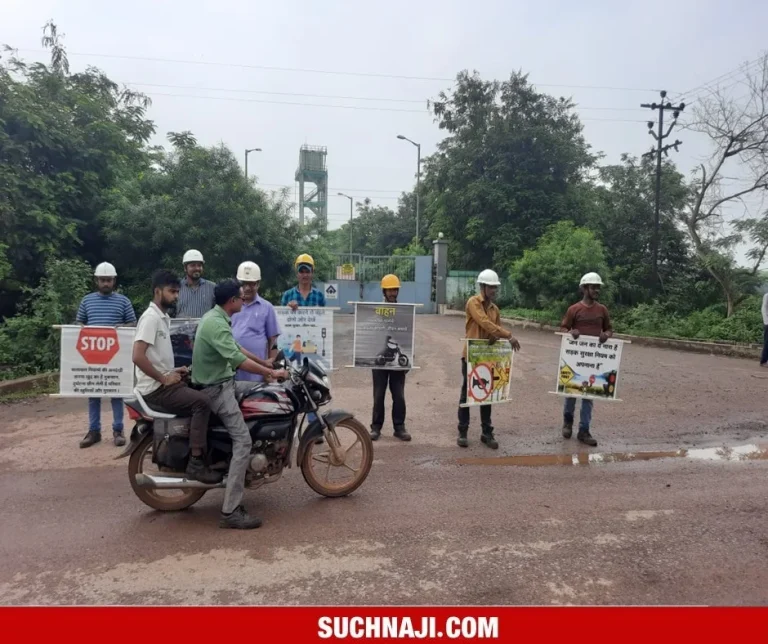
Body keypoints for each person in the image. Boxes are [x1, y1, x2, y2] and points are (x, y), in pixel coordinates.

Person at [192, 279, 288, 530]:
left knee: (264, 392)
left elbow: (238, 349)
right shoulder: (216, 323)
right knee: (243, 441)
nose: (243, 299)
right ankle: (230, 511)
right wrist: (275, 373)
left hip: (226, 383)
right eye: (239, 297)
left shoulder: (217, 317)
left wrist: (266, 365)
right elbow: (237, 359)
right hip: (217, 390)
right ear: (232, 301)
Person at [132, 270, 221, 484]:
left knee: (204, 388)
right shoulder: (151, 318)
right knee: (203, 403)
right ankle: (196, 463)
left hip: (163, 382)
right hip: (156, 389)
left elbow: (156, 357)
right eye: (172, 292)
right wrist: (164, 379)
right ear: (157, 291)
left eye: (177, 292)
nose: (176, 297)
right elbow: (137, 356)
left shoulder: (163, 317)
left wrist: (174, 371)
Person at [457, 269, 521, 450]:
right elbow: (484, 322)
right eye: (491, 287)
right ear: (483, 287)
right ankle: (462, 431)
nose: (494, 290)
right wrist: (508, 335)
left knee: (487, 393)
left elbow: (494, 329)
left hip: (488, 356)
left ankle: (487, 432)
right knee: (467, 393)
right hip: (471, 355)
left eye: (495, 287)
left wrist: (497, 336)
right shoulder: (473, 302)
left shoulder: (495, 310)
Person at [76, 262, 137, 449]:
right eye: (102, 280)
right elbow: (78, 325)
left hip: (115, 355)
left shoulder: (123, 301)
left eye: (108, 280)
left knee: (116, 393)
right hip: (92, 355)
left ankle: (118, 430)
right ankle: (94, 431)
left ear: (114, 281)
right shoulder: (87, 301)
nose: (105, 283)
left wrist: (122, 328)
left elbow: (133, 323)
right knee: (93, 393)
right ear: (97, 281)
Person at [559, 272, 613, 447]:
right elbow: (564, 328)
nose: (596, 290)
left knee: (589, 395)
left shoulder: (602, 310)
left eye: (598, 287)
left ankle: (584, 430)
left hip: (594, 361)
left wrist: (606, 335)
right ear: (584, 288)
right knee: (571, 393)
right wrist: (570, 333)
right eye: (593, 287)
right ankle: (567, 423)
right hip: (576, 360)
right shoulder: (574, 309)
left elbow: (610, 329)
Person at [370, 274, 411, 442]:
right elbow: (370, 330)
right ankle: (376, 427)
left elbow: (409, 334)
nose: (393, 292)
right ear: (384, 291)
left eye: (395, 289)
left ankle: (399, 427)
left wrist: (409, 357)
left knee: (399, 395)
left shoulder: (405, 310)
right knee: (379, 394)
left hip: (397, 355)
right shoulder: (376, 309)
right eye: (390, 289)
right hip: (380, 351)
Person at [232, 261, 280, 382]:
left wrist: (271, 361)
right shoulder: (230, 305)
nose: (247, 288)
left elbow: (273, 340)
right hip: (232, 367)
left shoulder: (267, 307)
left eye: (251, 284)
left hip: (256, 372)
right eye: (244, 284)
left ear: (258, 284)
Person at [176, 249, 216, 319]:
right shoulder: (176, 288)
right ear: (185, 268)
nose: (197, 268)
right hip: (180, 329)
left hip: (205, 330)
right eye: (193, 265)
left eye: (199, 265)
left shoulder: (212, 288)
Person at [761, 291, 768, 367]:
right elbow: (764, 308)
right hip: (767, 322)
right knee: (767, 342)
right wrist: (766, 322)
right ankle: (764, 361)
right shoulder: (767, 296)